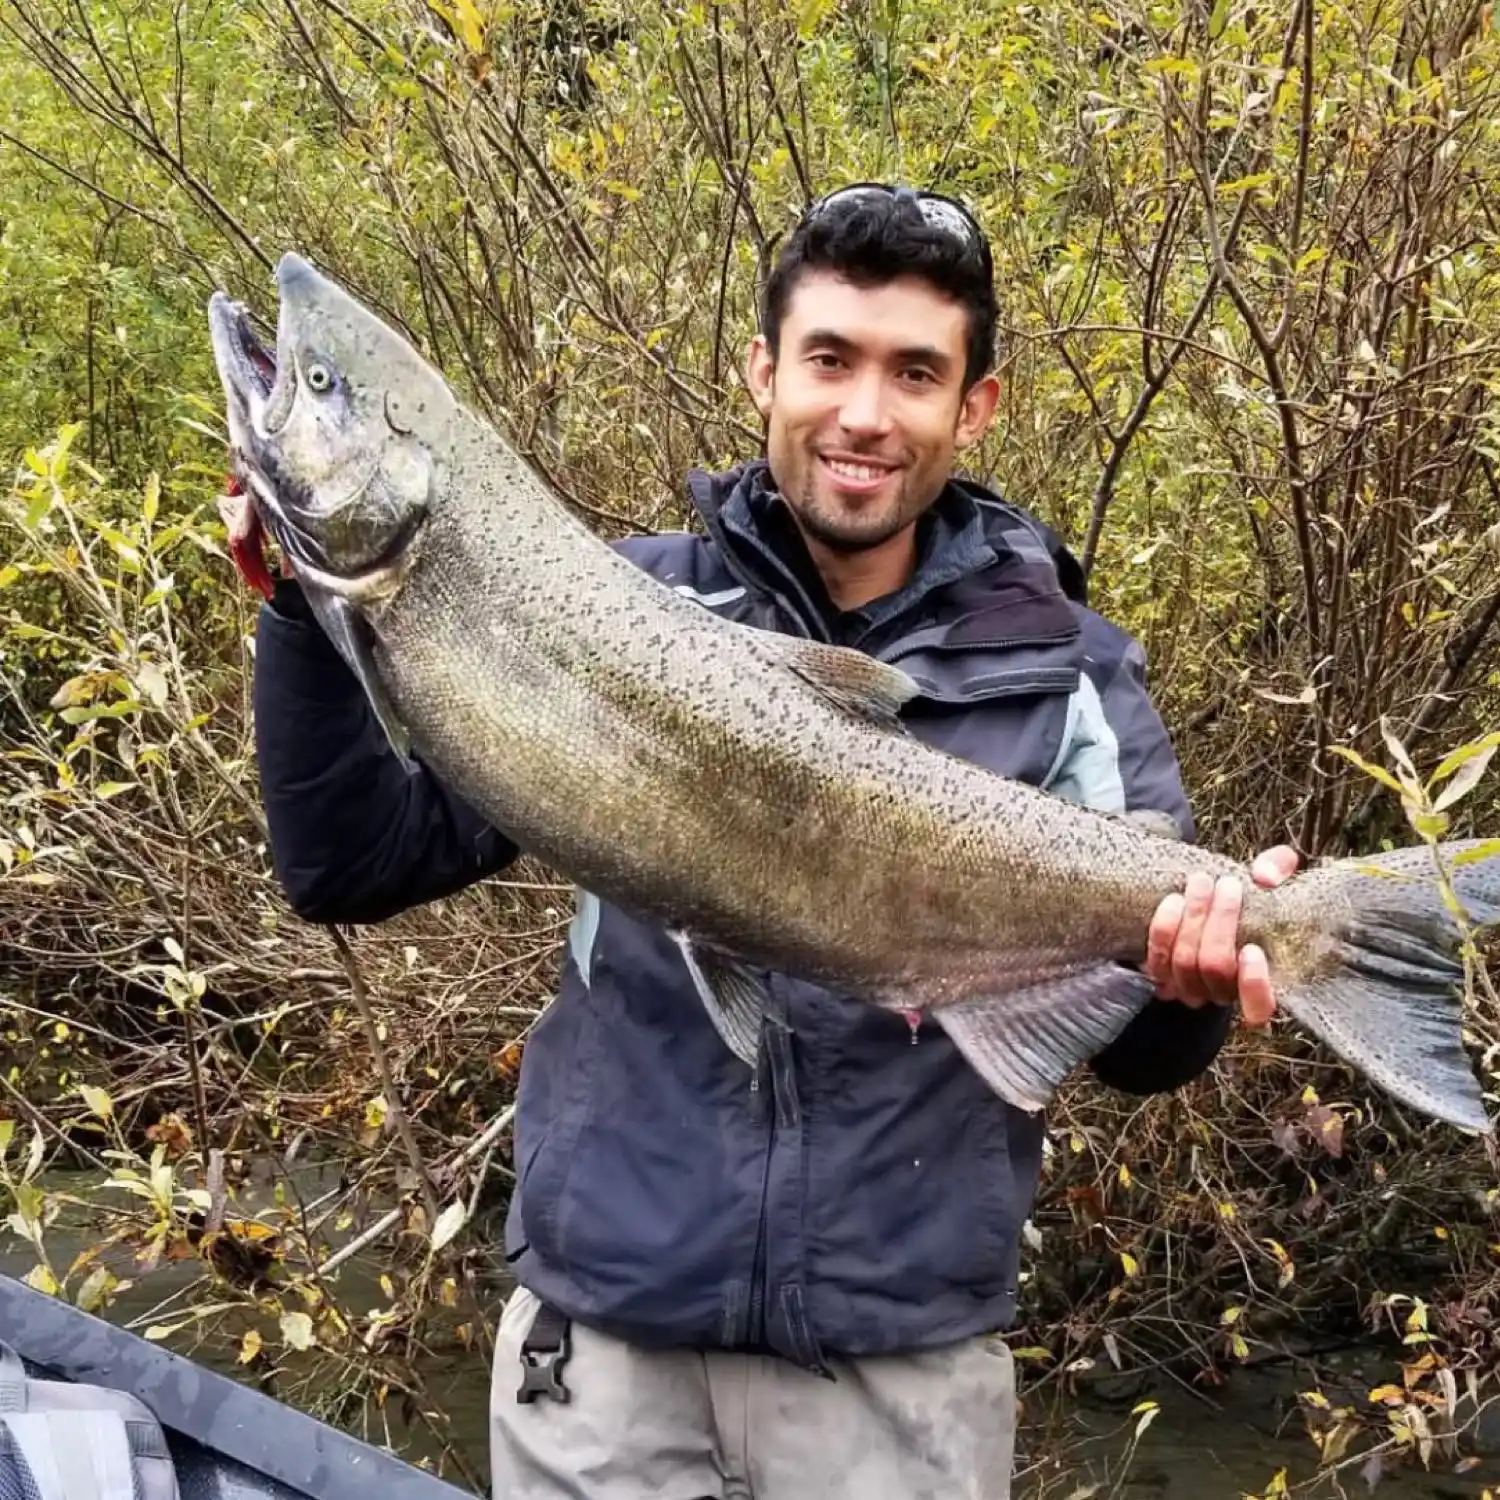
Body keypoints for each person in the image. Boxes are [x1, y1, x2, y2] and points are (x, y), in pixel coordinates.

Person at [249, 184, 1298, 1499]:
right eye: (830, 360)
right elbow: (347, 864)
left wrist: (1193, 982)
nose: (866, 412)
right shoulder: (609, 608)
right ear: (764, 373)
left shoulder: (1067, 675)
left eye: (915, 371)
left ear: (974, 406)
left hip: (900, 1384)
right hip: (602, 1363)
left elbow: (1141, 1050)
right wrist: (303, 612)